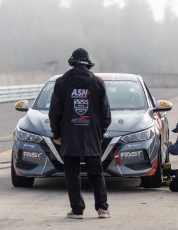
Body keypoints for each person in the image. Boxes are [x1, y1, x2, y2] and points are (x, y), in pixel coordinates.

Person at [49, 48, 112, 219]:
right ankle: (102, 209)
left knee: (72, 174)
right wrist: (101, 131)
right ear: (87, 63)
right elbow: (106, 112)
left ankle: (77, 210)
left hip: (69, 135)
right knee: (96, 173)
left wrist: (56, 133)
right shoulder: (97, 83)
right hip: (92, 135)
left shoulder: (62, 82)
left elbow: (54, 111)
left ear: (72, 62)